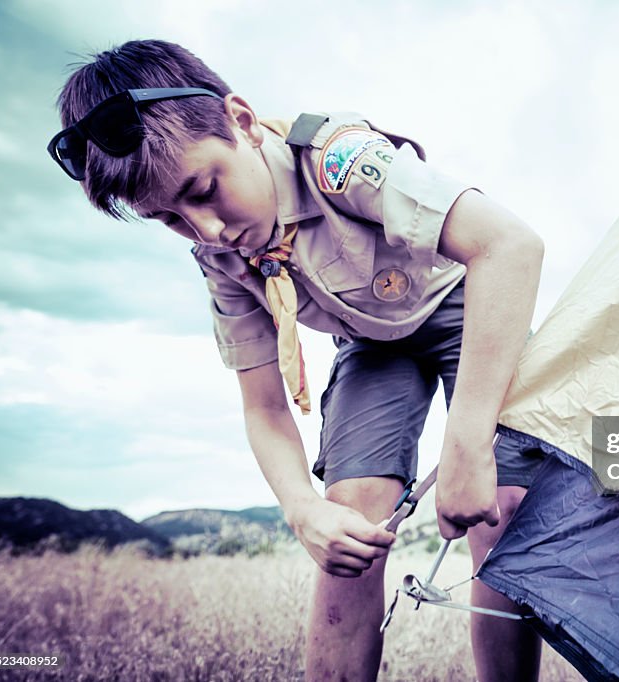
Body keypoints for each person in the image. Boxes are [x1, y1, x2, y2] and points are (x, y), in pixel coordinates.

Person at [49, 40, 544, 681]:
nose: (207, 230)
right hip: (372, 343)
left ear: (243, 122)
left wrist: (469, 443)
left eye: (203, 189)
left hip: (463, 307)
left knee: (497, 509)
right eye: (169, 217)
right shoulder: (220, 256)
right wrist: (302, 508)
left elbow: (510, 246)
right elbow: (262, 407)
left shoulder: (340, 159)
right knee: (350, 520)